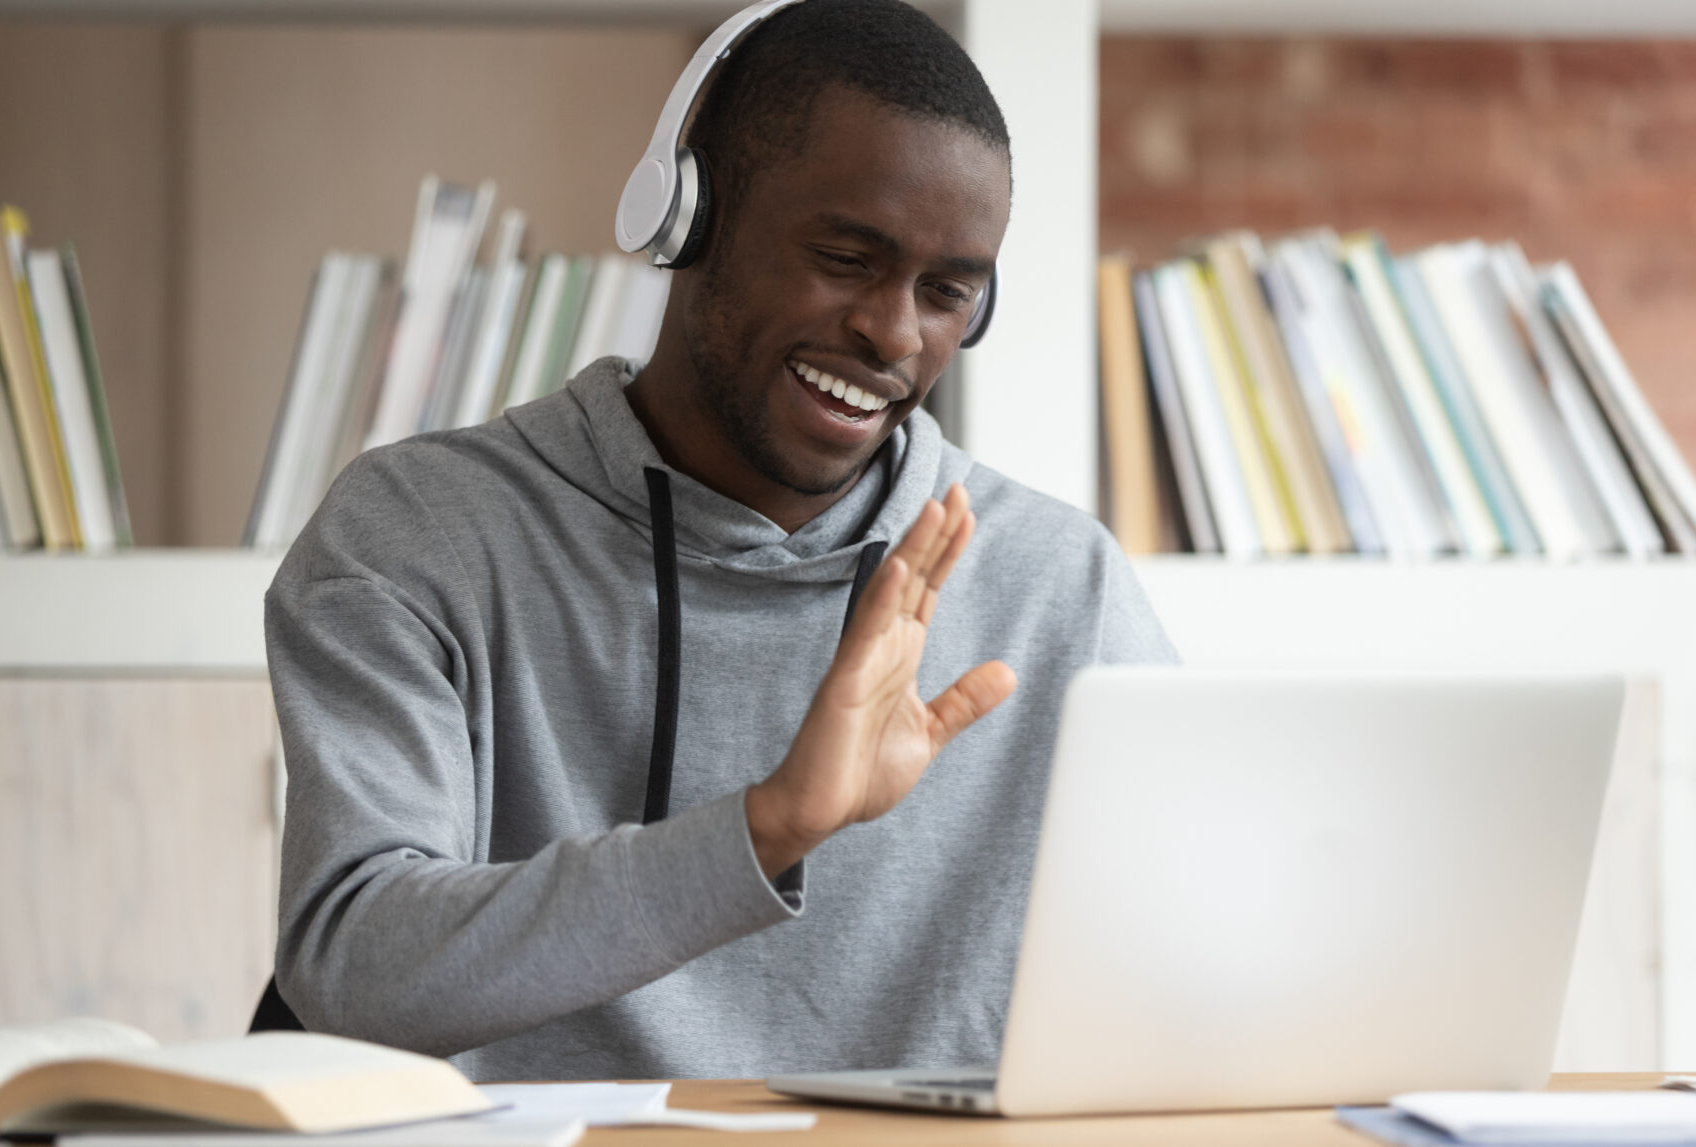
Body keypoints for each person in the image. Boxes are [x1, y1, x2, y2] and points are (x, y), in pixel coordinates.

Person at [266, 0, 1175, 1083]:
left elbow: (1215, 947)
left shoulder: (1056, 582)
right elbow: (352, 966)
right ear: (687, 219)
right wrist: (765, 827)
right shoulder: (420, 533)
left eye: (946, 293)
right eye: (845, 257)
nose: (892, 333)